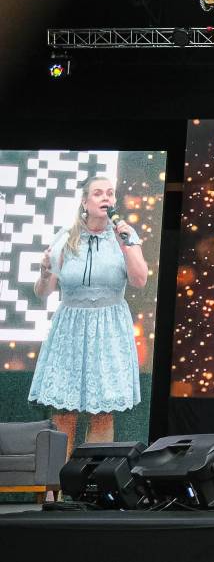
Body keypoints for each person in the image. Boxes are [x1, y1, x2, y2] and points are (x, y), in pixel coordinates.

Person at [29, 175, 147, 453]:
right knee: (64, 413)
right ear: (85, 202)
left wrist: (126, 244)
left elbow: (140, 280)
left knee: (102, 412)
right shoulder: (65, 238)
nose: (106, 197)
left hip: (109, 330)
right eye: (98, 193)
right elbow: (43, 292)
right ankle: (55, 478)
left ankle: (94, 477)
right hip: (70, 330)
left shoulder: (126, 236)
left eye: (110, 193)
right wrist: (44, 273)